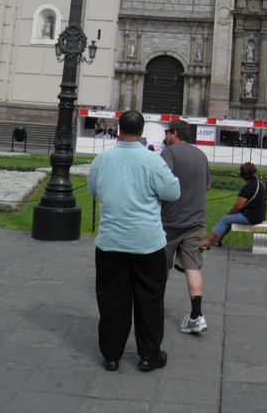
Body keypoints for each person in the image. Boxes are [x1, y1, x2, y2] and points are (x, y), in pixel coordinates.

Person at [87, 110, 181, 373]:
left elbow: (92, 190)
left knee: (111, 300)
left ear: (119, 129)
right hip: (147, 242)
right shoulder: (153, 161)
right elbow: (172, 192)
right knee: (150, 299)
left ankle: (111, 356)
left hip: (111, 242)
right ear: (142, 132)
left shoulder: (102, 160)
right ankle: (149, 355)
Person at [160, 119, 211, 335]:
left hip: (169, 221)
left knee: (162, 265)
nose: (165, 136)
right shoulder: (201, 154)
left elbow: (163, 179)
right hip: (196, 221)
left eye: (166, 132)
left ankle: (155, 306)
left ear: (173, 134)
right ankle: (197, 316)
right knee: (192, 266)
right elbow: (207, 185)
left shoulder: (169, 153)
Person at [201, 162, 266, 249]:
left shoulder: (248, 187)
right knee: (229, 219)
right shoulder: (257, 183)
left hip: (251, 217)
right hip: (259, 216)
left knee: (224, 219)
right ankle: (217, 240)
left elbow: (238, 206)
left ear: (242, 175)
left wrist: (229, 213)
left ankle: (207, 242)